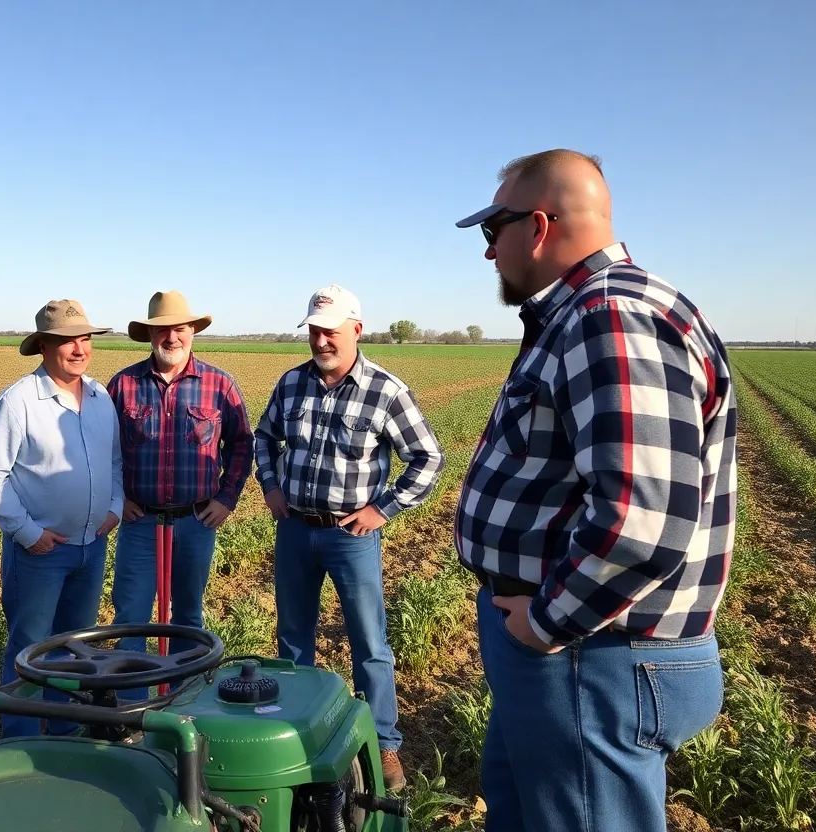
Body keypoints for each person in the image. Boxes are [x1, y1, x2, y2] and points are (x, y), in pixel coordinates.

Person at [454, 149, 737, 832]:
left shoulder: (610, 315)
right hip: (578, 656)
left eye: (494, 230)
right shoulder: (589, 312)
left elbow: (642, 522)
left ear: (540, 226)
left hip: (592, 658)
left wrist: (543, 622)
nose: (490, 253)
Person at [253, 284, 445, 791]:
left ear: (356, 330)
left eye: (331, 331)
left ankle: (383, 744)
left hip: (349, 535)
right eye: (314, 331)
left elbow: (428, 459)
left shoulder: (386, 390)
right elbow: (265, 437)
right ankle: (295, 728)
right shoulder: (291, 383)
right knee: (293, 636)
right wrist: (271, 486)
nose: (321, 341)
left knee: (369, 641)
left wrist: (382, 509)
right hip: (295, 528)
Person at [0, 299, 123, 737]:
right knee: (28, 648)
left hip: (91, 546)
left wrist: (114, 508)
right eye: (65, 341)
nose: (78, 349)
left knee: (76, 647)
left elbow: (114, 462)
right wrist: (28, 533)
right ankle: (18, 741)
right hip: (40, 552)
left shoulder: (100, 397)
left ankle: (65, 733)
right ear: (43, 346)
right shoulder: (17, 402)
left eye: (83, 339)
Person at [106, 290, 253, 699]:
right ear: (150, 334)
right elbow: (104, 449)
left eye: (180, 329)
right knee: (131, 618)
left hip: (194, 522)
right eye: (163, 329)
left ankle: (186, 705)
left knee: (189, 617)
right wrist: (117, 499)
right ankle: (130, 715)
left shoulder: (218, 384)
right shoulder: (124, 385)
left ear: (192, 332)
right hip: (141, 523)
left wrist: (226, 498)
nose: (172, 337)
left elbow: (242, 443)